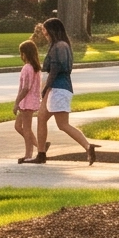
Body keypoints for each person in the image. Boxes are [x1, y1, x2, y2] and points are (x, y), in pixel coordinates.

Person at [38, 16, 95, 164]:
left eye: (45, 30)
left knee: (62, 124)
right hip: (56, 88)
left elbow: (56, 68)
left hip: (58, 88)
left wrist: (46, 88)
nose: (44, 33)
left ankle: (88, 147)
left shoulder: (60, 46)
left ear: (52, 30)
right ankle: (41, 154)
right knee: (41, 118)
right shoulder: (60, 45)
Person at [12, 38, 46, 163]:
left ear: (25, 54)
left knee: (26, 128)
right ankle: (39, 146)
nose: (21, 55)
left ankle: (28, 154)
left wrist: (16, 102)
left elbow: (26, 87)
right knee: (18, 126)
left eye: (21, 53)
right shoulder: (35, 68)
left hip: (26, 102)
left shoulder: (27, 68)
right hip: (31, 101)